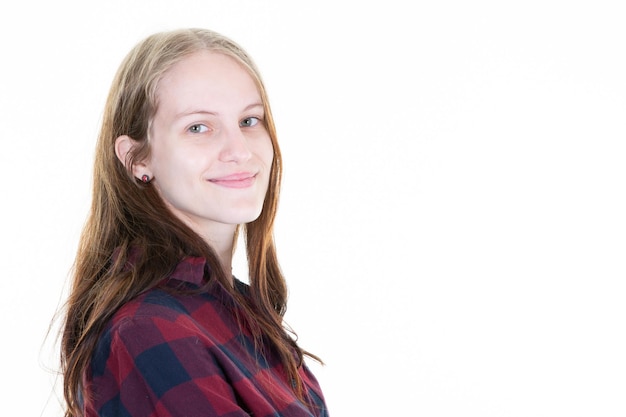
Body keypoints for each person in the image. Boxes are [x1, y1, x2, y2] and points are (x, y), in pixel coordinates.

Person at [59, 28, 328, 417]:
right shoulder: (148, 329)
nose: (239, 151)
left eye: (249, 121)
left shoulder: (237, 309)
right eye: (198, 127)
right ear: (138, 160)